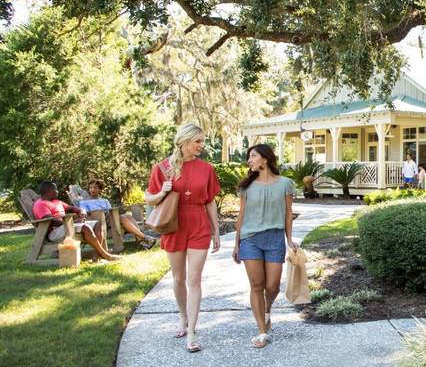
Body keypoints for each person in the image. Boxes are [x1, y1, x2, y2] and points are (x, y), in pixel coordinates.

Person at [145, 123, 221, 353]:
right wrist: (162, 191)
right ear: (184, 142)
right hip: (174, 224)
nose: (202, 145)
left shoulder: (206, 168)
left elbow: (209, 201)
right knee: (178, 277)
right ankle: (183, 317)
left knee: (194, 279)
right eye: (198, 141)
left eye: (202, 141)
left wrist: (216, 230)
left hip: (198, 223)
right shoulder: (163, 167)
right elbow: (150, 198)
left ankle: (192, 331)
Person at [232, 144, 298, 348]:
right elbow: (241, 216)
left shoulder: (285, 184)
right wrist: (236, 243)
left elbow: (288, 213)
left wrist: (289, 239)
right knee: (257, 285)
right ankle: (262, 331)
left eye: (253, 156)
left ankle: (267, 308)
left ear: (265, 159)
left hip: (275, 238)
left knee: (272, 286)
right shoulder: (246, 187)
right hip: (250, 239)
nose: (249, 160)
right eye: (248, 157)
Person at [33, 181, 119, 261]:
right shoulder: (41, 204)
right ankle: (105, 255)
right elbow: (50, 221)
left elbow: (71, 208)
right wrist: (72, 223)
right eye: (55, 189)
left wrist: (82, 211)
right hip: (55, 232)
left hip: (66, 226)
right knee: (85, 227)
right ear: (49, 191)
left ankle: (97, 255)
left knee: (97, 224)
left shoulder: (56, 201)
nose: (57, 191)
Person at [82, 180, 157, 249]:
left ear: (99, 190)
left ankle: (141, 241)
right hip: (98, 221)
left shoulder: (104, 200)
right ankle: (144, 238)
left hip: (109, 218)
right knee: (123, 217)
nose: (92, 190)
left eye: (95, 188)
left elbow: (110, 211)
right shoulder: (84, 202)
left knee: (127, 216)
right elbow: (84, 214)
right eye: (91, 188)